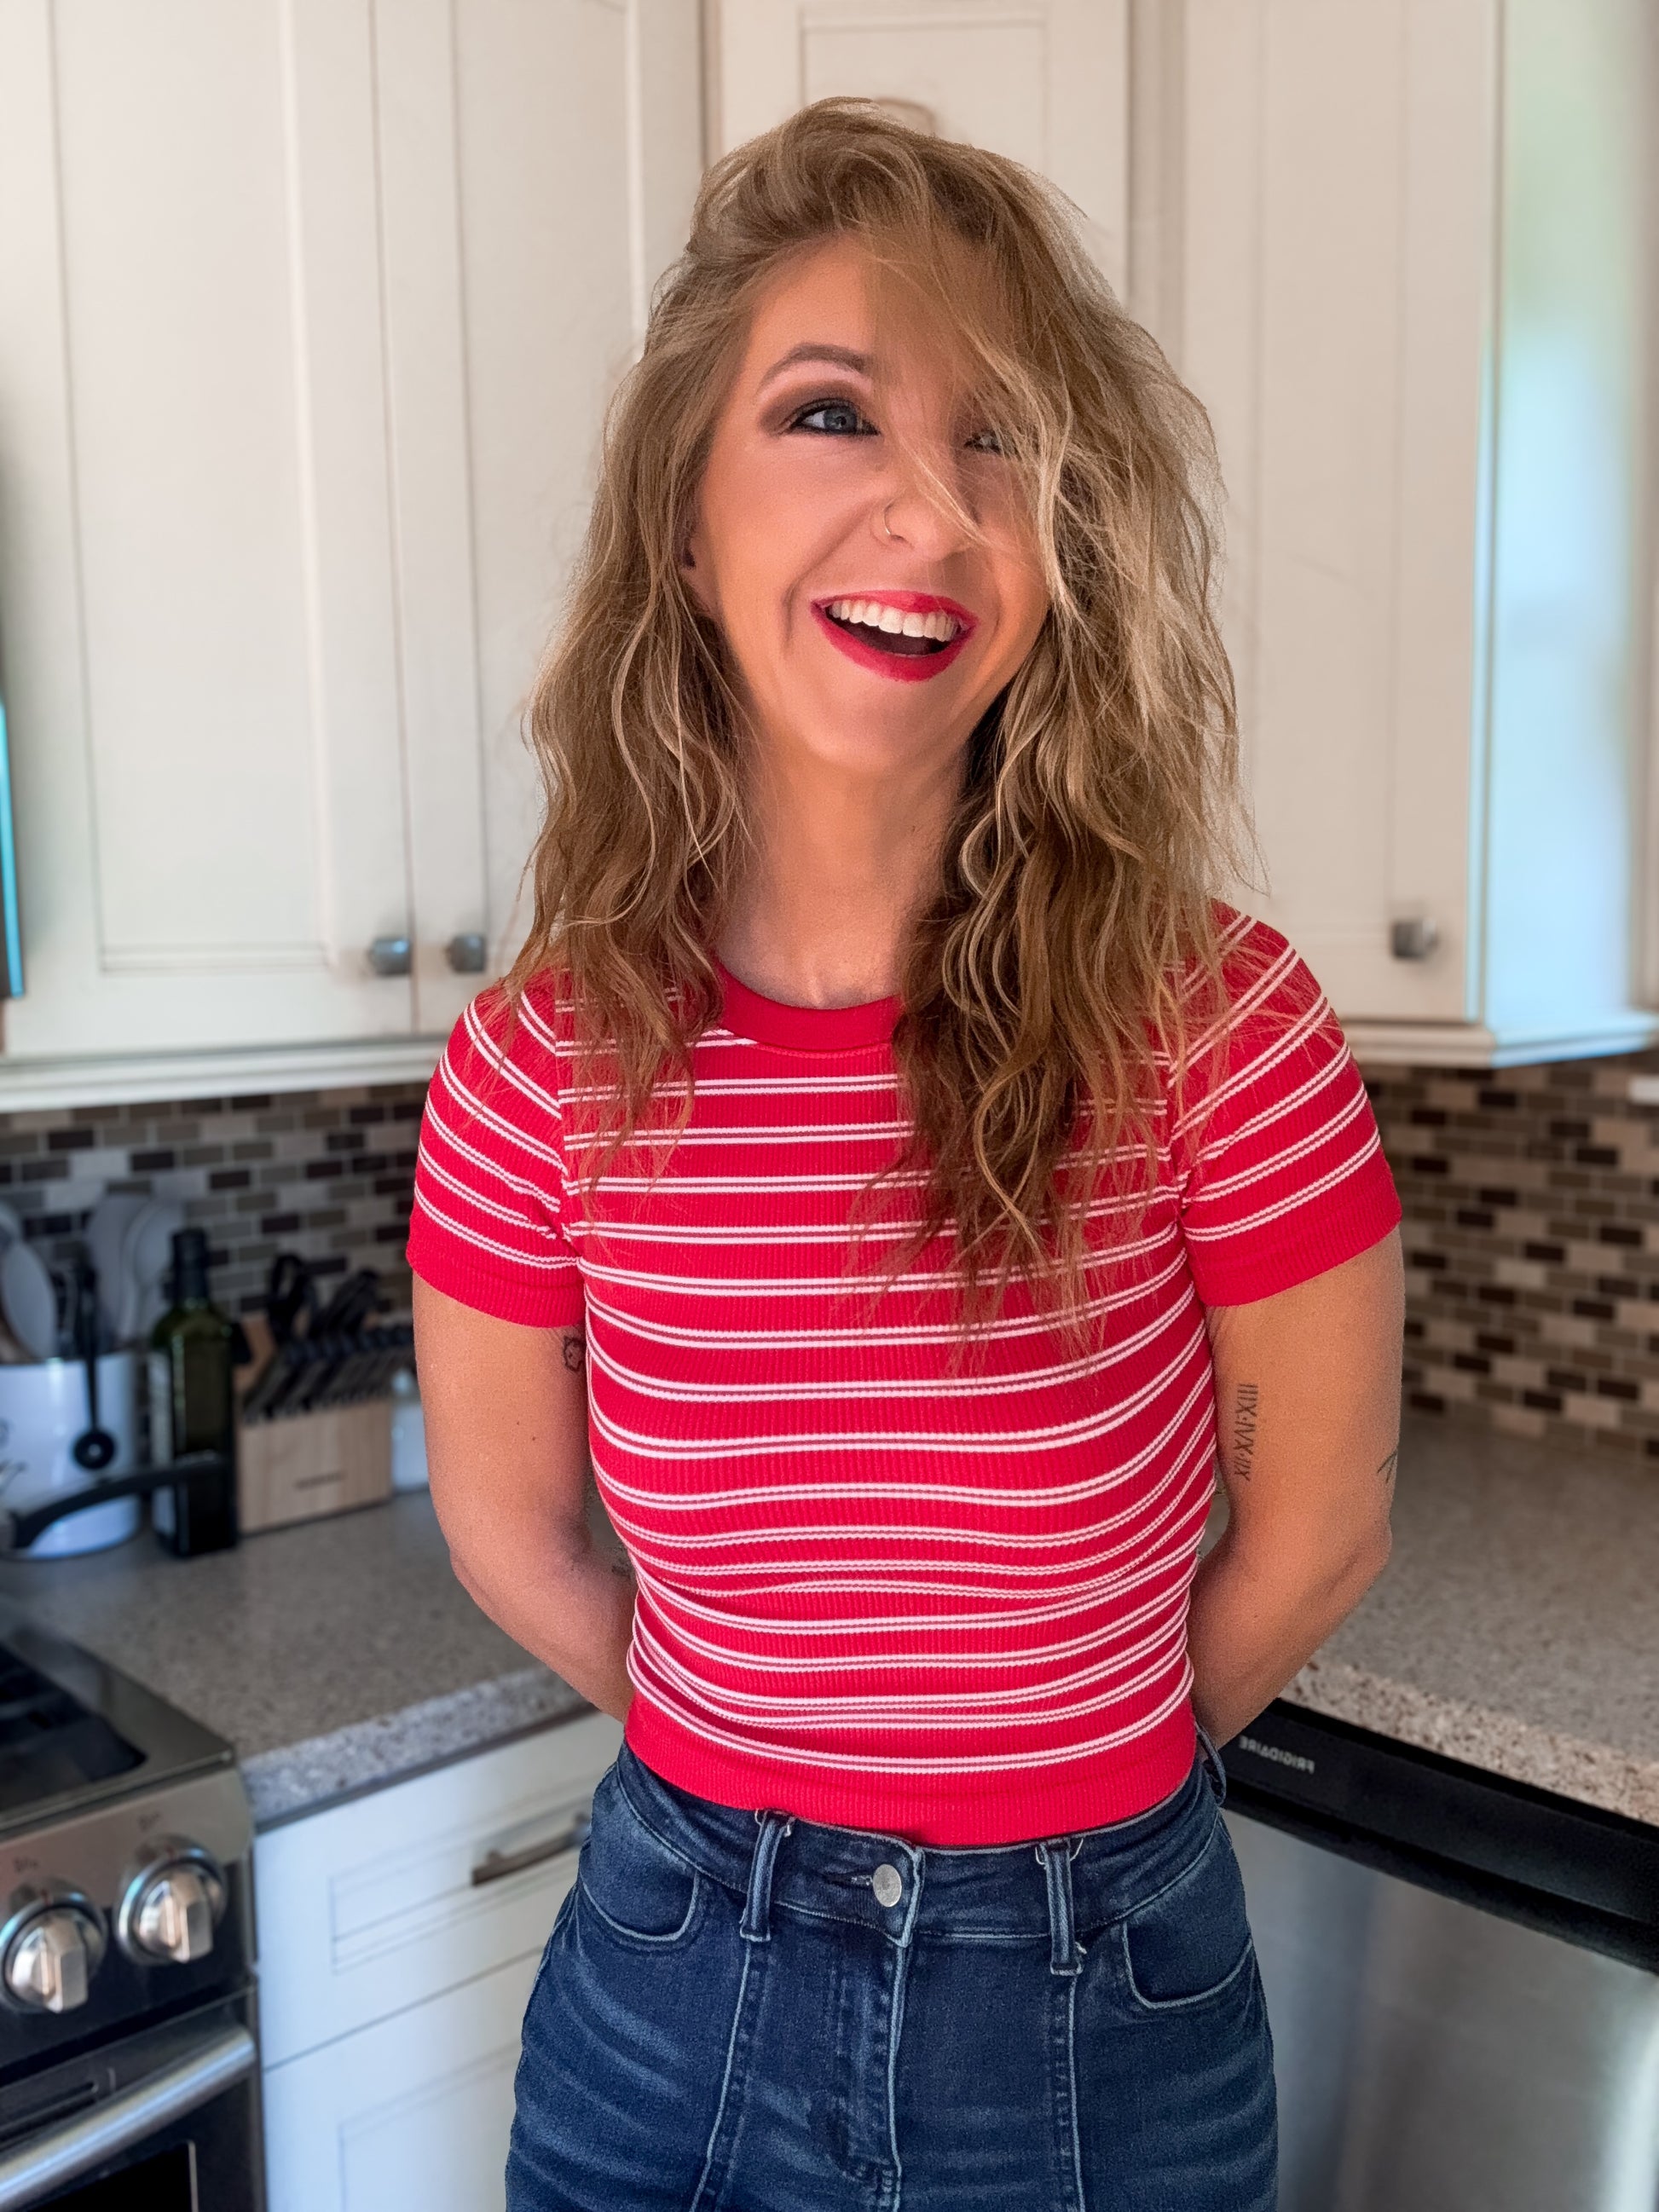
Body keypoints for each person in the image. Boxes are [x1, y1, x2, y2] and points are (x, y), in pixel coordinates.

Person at [409, 99, 1403, 2212]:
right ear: (685, 526)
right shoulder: (533, 1070)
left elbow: (1317, 1526)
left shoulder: (1217, 1026)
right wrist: (763, 1761)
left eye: (1001, 441)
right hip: (670, 1993)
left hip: (1098, 1994)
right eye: (830, 412)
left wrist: (1067, 1790)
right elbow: (513, 1535)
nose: (931, 510)